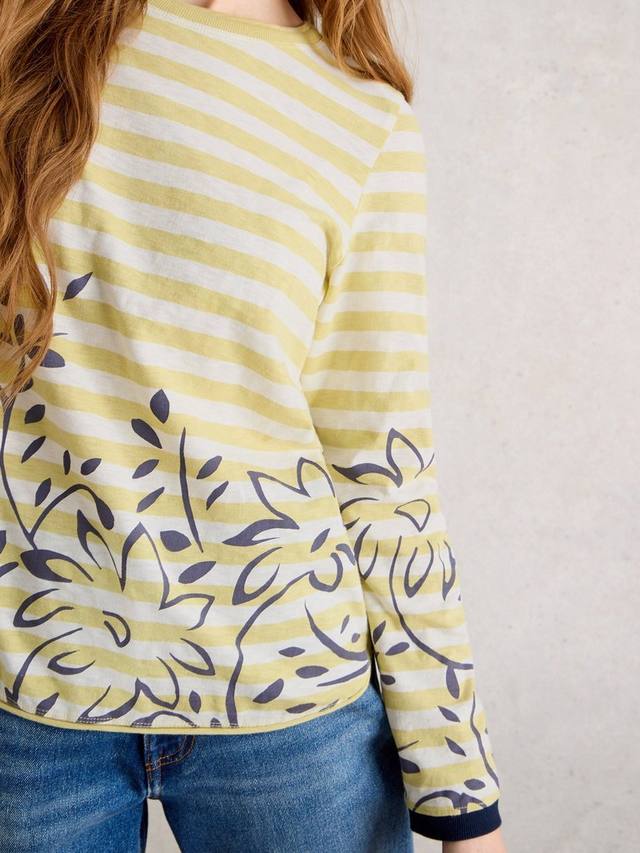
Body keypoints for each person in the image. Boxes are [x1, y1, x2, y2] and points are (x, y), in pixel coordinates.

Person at [0, 1, 507, 850]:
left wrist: (462, 789)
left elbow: (382, 467)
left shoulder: (359, 120)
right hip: (27, 695)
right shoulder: (28, 36)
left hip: (291, 702)